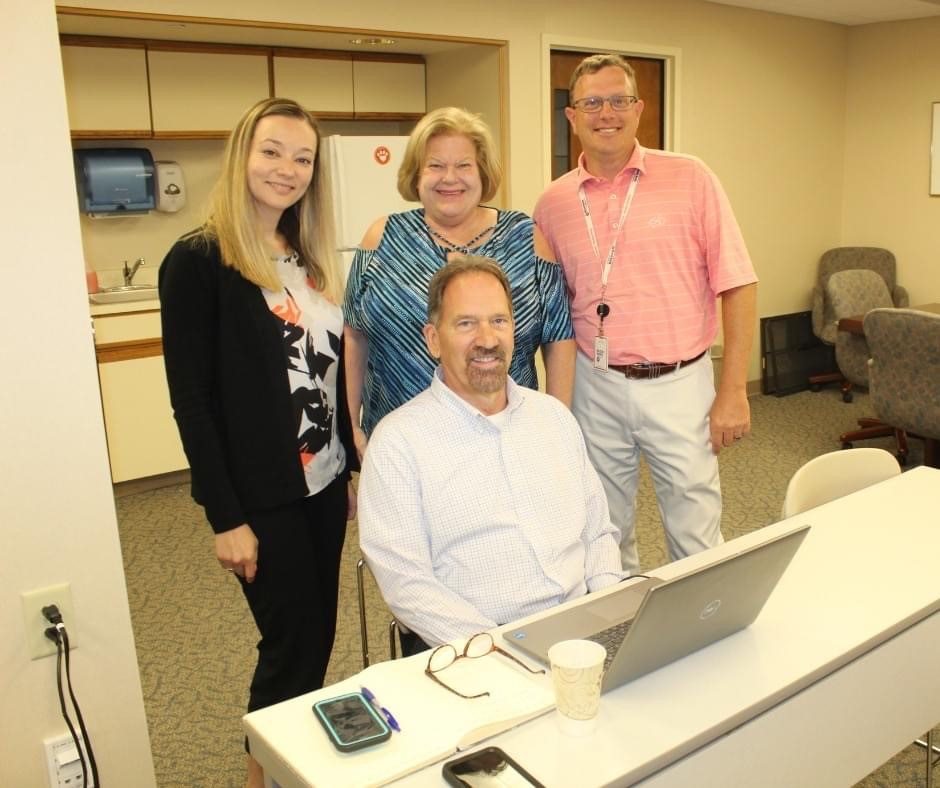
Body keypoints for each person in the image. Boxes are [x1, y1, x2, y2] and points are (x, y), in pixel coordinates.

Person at [159, 97, 358, 788]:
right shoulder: (199, 261)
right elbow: (193, 402)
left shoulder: (303, 257)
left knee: (314, 641)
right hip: (263, 496)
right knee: (289, 648)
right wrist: (226, 518)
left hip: (325, 484)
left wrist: (351, 469)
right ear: (242, 154)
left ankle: (282, 771)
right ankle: (261, 779)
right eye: (272, 151)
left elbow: (329, 378)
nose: (288, 169)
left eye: (302, 158)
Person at [534, 54, 758, 573]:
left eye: (617, 100)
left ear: (638, 110)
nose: (605, 113)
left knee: (695, 528)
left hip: (679, 383)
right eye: (591, 102)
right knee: (603, 528)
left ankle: (703, 633)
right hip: (594, 383)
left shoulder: (690, 177)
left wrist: (734, 389)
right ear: (572, 115)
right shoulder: (552, 203)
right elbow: (549, 309)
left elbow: (739, 283)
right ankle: (621, 633)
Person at [357, 256, 624, 654]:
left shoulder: (553, 418)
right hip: (476, 645)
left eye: (498, 321)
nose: (487, 338)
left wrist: (609, 613)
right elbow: (405, 582)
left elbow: (598, 532)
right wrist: (499, 651)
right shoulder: (398, 442)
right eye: (466, 323)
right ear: (433, 338)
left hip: (579, 624)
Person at [343, 106, 576, 460]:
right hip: (402, 441)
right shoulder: (381, 238)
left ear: (482, 173)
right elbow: (354, 335)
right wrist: (351, 424)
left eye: (463, 165)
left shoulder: (526, 238)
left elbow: (559, 338)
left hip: (504, 437)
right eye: (435, 165)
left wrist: (557, 424)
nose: (449, 178)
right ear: (416, 175)